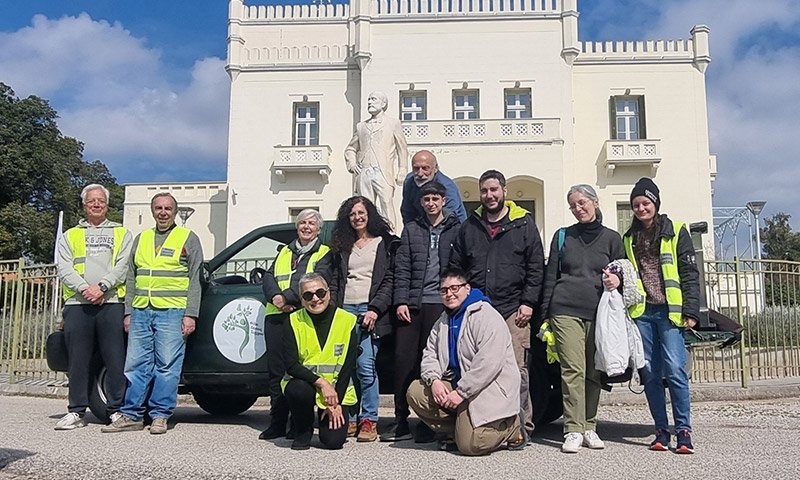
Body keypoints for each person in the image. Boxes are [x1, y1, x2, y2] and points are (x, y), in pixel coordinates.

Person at [607, 177, 700, 454]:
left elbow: (689, 274)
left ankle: (683, 430)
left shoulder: (677, 230)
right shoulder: (628, 237)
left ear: (655, 204)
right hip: (643, 313)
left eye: (645, 203)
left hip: (671, 312)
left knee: (674, 371)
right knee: (649, 373)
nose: (640, 208)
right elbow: (626, 272)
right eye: (636, 204)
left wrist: (691, 311)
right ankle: (661, 429)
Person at [449, 169, 544, 435]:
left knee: (516, 370)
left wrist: (528, 302)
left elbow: (536, 268)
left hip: (514, 309)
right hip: (478, 309)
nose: (489, 196)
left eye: (494, 190)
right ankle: (486, 423)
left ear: (505, 191)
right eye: (484, 191)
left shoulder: (524, 223)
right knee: (477, 368)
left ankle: (521, 425)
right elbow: (457, 266)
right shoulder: (470, 226)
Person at [102, 193, 204, 435]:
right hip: (141, 310)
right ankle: (132, 414)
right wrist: (128, 312)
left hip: (172, 311)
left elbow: (195, 279)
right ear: (152, 210)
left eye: (168, 208)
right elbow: (131, 276)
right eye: (158, 208)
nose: (163, 212)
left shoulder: (187, 238)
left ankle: (159, 415)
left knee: (167, 366)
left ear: (175, 212)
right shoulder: (142, 238)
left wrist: (191, 314)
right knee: (135, 365)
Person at [540, 184, 625, 453]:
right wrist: (545, 315)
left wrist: (617, 279)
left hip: (599, 312)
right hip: (565, 309)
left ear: (595, 202)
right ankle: (573, 429)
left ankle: (590, 425)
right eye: (573, 205)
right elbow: (550, 276)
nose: (578, 208)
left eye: (582, 202)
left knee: (593, 371)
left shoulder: (612, 239)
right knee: (572, 369)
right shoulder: (563, 236)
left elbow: (624, 274)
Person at [407, 268, 525, 456]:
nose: (449, 294)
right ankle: (460, 429)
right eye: (444, 290)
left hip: (487, 388)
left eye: (455, 288)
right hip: (460, 388)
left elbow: (488, 364)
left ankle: (511, 428)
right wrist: (434, 380)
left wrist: (461, 392)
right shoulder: (443, 320)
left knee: (471, 446)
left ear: (467, 288)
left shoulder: (487, 316)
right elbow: (430, 354)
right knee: (416, 392)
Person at [382, 181, 461, 443]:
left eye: (435, 198)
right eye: (426, 199)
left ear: (443, 200)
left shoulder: (455, 228)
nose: (431, 203)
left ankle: (429, 420)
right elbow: (402, 268)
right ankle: (401, 419)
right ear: (421, 202)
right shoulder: (412, 229)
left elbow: (460, 266)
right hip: (412, 305)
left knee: (436, 361)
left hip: (441, 304)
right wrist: (401, 301)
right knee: (405, 360)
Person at [54, 184, 132, 430]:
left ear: (107, 205)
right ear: (84, 205)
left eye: (101, 201)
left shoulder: (122, 233)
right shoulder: (70, 235)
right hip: (78, 304)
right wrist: (85, 289)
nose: (96, 204)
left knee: (115, 359)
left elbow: (124, 265)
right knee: (78, 360)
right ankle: (76, 411)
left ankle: (117, 411)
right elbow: (63, 267)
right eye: (91, 201)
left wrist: (102, 286)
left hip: (111, 303)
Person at [329, 196, 398, 442]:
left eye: (361, 212)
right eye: (352, 214)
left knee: (366, 366)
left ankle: (369, 420)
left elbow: (389, 280)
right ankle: (350, 418)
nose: (357, 218)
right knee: (347, 368)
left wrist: (375, 309)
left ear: (369, 213)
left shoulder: (384, 243)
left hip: (370, 312)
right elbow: (336, 279)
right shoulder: (342, 246)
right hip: (345, 310)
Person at [259, 209, 332, 441]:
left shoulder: (324, 252)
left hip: (301, 316)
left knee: (300, 371)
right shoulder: (284, 251)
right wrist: (275, 298)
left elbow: (317, 280)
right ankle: (277, 422)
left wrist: (288, 298)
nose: (306, 227)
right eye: (302, 223)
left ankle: (299, 423)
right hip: (276, 316)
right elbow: (268, 277)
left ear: (318, 229)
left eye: (312, 223)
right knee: (276, 373)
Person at [281, 273, 358, 450]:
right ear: (301, 299)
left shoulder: (347, 321)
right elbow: (291, 365)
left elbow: (347, 367)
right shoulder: (292, 321)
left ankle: (326, 419)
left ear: (329, 293)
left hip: (337, 390)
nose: (315, 299)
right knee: (297, 389)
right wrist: (322, 384)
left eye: (320, 293)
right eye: (308, 295)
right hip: (307, 385)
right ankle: (302, 429)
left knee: (334, 442)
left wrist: (334, 403)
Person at [344, 91, 409, 228]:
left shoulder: (393, 123)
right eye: (368, 99)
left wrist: (402, 169)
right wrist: (352, 164)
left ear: (383, 103)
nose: (369, 102)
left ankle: (391, 236)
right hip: (364, 172)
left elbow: (402, 148)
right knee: (365, 207)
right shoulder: (361, 126)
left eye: (373, 99)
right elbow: (350, 148)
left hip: (383, 172)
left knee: (386, 203)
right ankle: (367, 236)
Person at [400, 150, 467, 224]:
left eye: (425, 168)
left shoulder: (447, 187)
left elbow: (450, 217)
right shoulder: (409, 182)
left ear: (436, 168)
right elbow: (407, 212)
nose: (420, 173)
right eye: (416, 168)